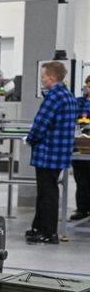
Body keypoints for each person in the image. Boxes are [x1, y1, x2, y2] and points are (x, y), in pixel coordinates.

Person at [26, 61, 79, 244]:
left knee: (47, 193)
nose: (42, 80)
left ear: (51, 77)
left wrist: (29, 139)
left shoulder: (54, 97)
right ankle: (39, 227)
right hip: (59, 153)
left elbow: (40, 124)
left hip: (48, 154)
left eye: (43, 77)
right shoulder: (68, 95)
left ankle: (48, 232)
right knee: (47, 191)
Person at [71, 75, 90, 221]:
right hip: (79, 144)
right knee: (81, 180)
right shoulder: (79, 101)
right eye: (88, 85)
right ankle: (82, 209)